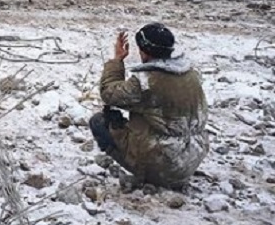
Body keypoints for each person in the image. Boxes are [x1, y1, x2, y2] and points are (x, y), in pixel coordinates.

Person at [90, 23, 209, 189]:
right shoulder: (190, 74)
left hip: (164, 165)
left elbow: (109, 94)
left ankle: (147, 175)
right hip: (192, 157)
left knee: (99, 122)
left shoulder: (146, 81)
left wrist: (117, 60)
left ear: (144, 52)